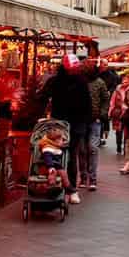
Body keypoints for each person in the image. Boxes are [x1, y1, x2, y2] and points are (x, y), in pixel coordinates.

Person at [40, 55, 92, 204]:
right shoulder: (55, 81)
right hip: (59, 125)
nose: (73, 72)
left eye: (74, 70)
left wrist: (85, 123)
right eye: (71, 70)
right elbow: (43, 96)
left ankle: (71, 189)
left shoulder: (81, 82)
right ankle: (59, 186)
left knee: (70, 156)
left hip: (75, 125)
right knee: (57, 154)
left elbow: (87, 104)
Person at [84, 62, 110, 191]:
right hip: (82, 120)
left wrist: (102, 114)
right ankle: (84, 176)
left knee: (92, 148)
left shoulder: (100, 83)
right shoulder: (81, 82)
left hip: (95, 120)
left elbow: (105, 99)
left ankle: (92, 178)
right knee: (82, 150)